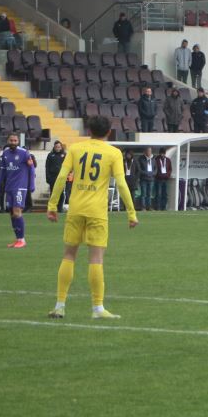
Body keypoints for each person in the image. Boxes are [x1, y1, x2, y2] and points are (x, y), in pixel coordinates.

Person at [47, 115, 138, 320]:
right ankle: (98, 308)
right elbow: (122, 184)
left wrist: (52, 205)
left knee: (69, 255)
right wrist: (131, 213)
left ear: (89, 131)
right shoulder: (113, 153)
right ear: (108, 132)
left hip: (76, 209)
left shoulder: (76, 149)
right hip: (97, 212)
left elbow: (61, 177)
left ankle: (59, 305)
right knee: (96, 258)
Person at [0, 133, 35, 248]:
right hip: (9, 187)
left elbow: (31, 168)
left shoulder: (24, 153)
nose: (13, 142)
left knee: (17, 212)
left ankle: (22, 240)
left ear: (18, 141)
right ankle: (18, 239)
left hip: (20, 187)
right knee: (12, 214)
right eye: (11, 140)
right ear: (8, 141)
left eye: (15, 140)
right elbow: (3, 171)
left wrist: (31, 184)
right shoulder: (5, 153)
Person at [45, 140, 68, 211]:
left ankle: (60, 208)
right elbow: (47, 167)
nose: (57, 148)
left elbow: (67, 166)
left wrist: (66, 176)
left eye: (59, 147)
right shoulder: (50, 155)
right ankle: (53, 208)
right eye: (56, 147)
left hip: (61, 177)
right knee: (53, 193)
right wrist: (47, 177)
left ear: (61, 147)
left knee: (61, 193)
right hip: (52, 177)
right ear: (54, 147)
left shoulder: (64, 155)